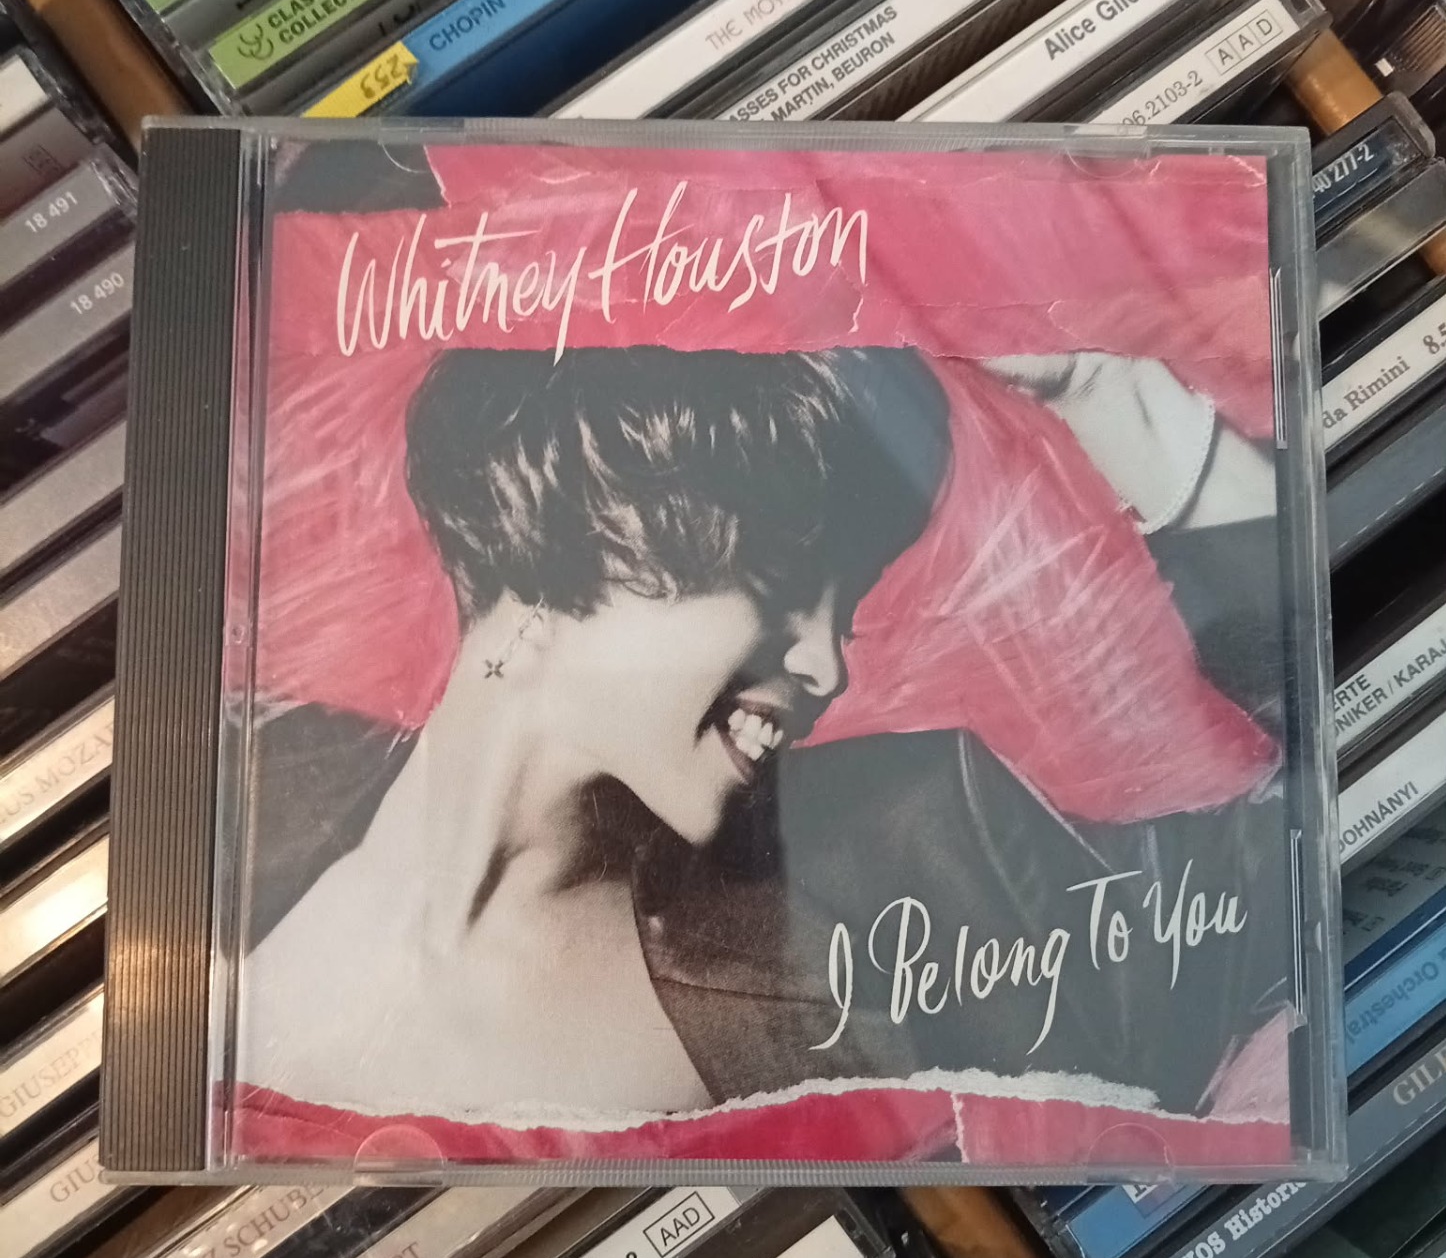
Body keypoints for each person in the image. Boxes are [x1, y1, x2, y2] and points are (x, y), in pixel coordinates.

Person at [238, 334, 1292, 1131]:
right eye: (785, 589)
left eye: (844, 606)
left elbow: (1276, 889)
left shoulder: (906, 850)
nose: (830, 665)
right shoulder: (230, 822)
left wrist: (1111, 396)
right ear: (560, 548)